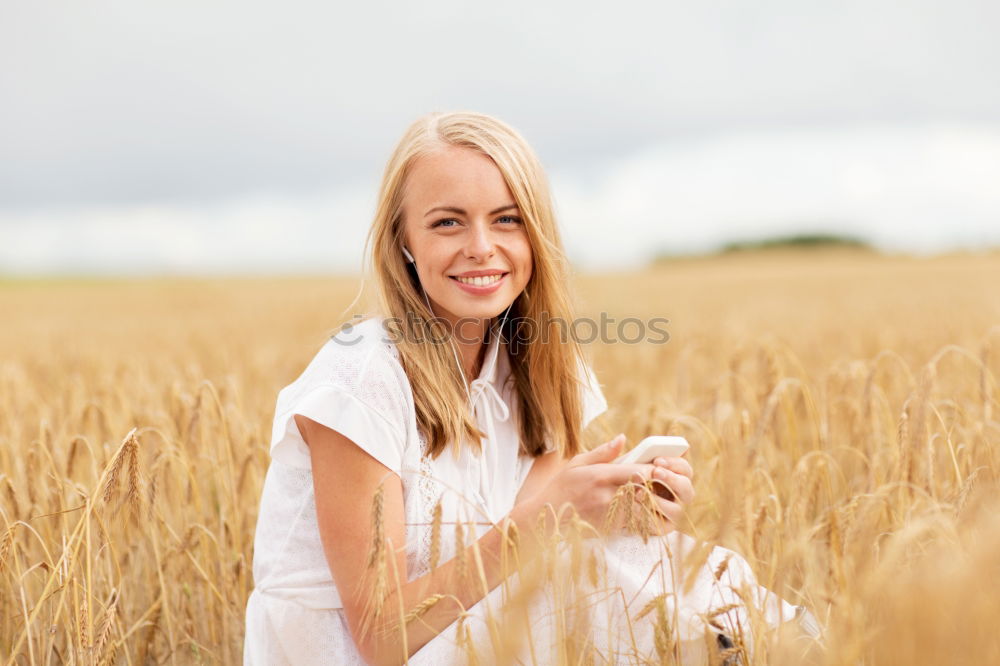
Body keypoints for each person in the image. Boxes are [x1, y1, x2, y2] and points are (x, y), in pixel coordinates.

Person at [243, 111, 819, 665]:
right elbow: (381, 639)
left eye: (507, 219)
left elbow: (525, 545)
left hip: (478, 635)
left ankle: (777, 647)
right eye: (447, 222)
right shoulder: (362, 377)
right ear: (403, 241)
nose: (481, 246)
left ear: (535, 232)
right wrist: (553, 516)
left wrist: (614, 510)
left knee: (628, 555)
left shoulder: (538, 361)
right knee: (585, 577)